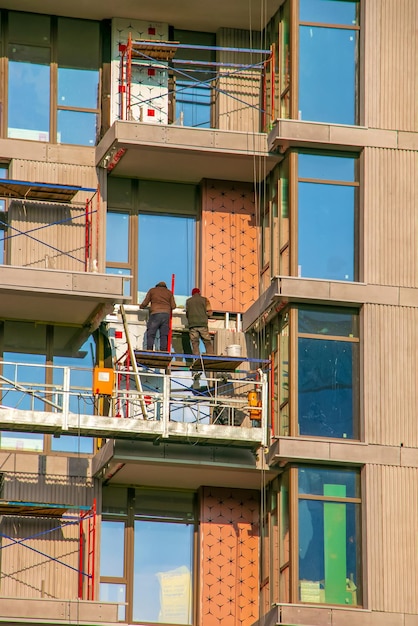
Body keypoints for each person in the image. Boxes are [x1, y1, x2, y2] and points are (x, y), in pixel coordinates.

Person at [140, 281, 176, 351]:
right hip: (166, 315)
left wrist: (141, 306)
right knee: (164, 335)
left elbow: (145, 302)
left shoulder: (152, 290)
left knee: (151, 333)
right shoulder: (169, 292)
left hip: (155, 314)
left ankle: (149, 349)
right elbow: (173, 306)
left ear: (157, 286)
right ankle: (163, 351)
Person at [185, 288, 214, 356]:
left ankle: (196, 358)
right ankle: (210, 356)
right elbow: (210, 312)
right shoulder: (204, 300)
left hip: (192, 325)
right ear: (199, 293)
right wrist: (205, 316)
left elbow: (187, 314)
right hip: (203, 324)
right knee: (207, 341)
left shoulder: (188, 301)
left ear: (192, 294)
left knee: (194, 342)